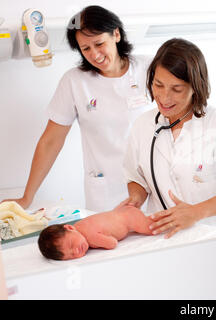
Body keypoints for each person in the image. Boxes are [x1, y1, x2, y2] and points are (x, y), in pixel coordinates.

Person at [1, 6, 151, 212]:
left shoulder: (150, 69)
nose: (94, 54)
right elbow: (51, 141)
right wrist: (27, 197)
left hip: (152, 187)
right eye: (85, 48)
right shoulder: (74, 82)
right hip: (106, 192)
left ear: (116, 34)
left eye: (99, 44)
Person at [123, 38, 216, 238]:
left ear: (196, 86)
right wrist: (135, 199)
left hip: (214, 242)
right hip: (164, 241)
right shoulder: (143, 125)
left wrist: (196, 212)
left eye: (176, 89)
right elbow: (137, 178)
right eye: (158, 85)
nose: (165, 97)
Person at [38, 204, 155, 260]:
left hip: (131, 218)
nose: (76, 250)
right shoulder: (79, 226)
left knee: (153, 227)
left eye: (71, 244)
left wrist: (97, 243)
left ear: (70, 228)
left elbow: (113, 243)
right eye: (72, 255)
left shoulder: (90, 236)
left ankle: (170, 216)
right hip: (121, 211)